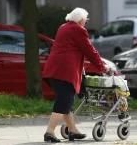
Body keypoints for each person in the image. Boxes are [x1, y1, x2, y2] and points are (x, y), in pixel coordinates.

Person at [42, 7, 109, 143]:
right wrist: (102, 67)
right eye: (86, 20)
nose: (86, 22)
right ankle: (49, 131)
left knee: (67, 103)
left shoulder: (63, 27)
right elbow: (89, 50)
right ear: (81, 20)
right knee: (63, 102)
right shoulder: (78, 29)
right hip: (65, 72)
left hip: (54, 70)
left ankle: (73, 131)